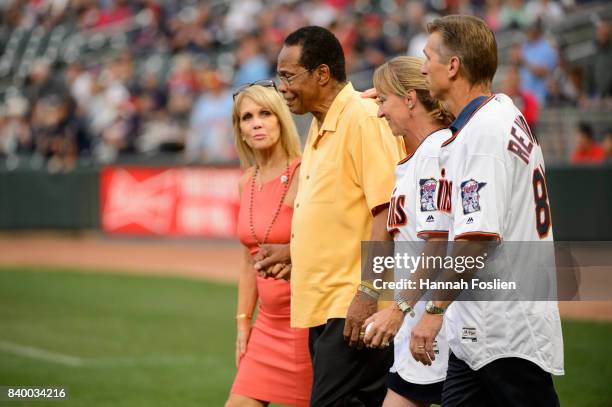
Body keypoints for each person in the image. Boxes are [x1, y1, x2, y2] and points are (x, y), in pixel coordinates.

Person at [411, 15, 564, 406]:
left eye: (428, 56)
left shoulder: (483, 133)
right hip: (487, 330)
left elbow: (477, 239)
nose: (423, 65)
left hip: (506, 330)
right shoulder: (502, 113)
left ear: (454, 66)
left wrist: (433, 311)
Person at [256, 26, 404, 406]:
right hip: (329, 306)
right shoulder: (320, 123)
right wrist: (293, 253)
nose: (282, 87)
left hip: (354, 306)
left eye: (289, 76)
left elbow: (387, 211)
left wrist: (368, 293)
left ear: (322, 74)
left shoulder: (363, 118)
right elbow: (340, 209)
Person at [360, 56, 454, 407]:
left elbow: (438, 245)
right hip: (418, 326)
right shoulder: (421, 156)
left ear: (411, 99)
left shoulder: (435, 155)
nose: (380, 111)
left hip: (437, 329)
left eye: (384, 100)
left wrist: (399, 308)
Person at [226, 80, 312, 407]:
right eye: (247, 117)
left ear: (281, 118)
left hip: (306, 324)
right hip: (267, 326)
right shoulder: (245, 182)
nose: (257, 122)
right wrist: (242, 323)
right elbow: (248, 261)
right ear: (241, 130)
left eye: (265, 113)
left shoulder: (305, 171)